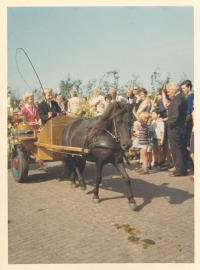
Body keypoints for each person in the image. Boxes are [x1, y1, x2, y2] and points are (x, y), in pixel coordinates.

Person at [166, 82, 187, 177]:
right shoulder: (180, 98)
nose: (167, 93)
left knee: (176, 150)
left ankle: (180, 170)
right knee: (180, 149)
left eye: (169, 91)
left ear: (174, 90)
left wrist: (169, 125)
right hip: (179, 128)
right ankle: (182, 169)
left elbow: (175, 115)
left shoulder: (177, 99)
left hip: (175, 129)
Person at [180, 80, 194, 161]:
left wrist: (184, 122)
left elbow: (190, 111)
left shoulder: (191, 97)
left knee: (188, 142)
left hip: (189, 122)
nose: (183, 90)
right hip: (187, 121)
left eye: (184, 88)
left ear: (189, 87)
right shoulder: (187, 97)